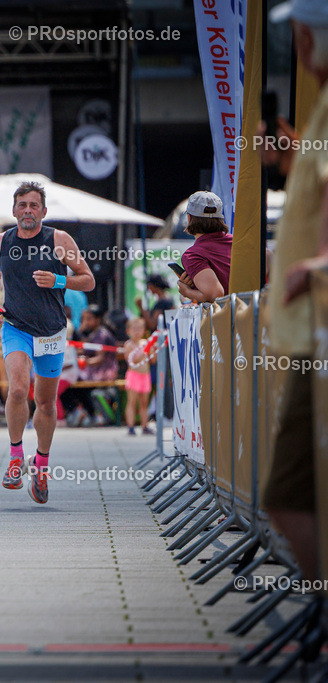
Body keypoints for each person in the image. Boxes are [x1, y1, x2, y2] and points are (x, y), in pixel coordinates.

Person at [261, 0, 328, 592]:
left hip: (322, 330)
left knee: (288, 491)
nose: (301, 48)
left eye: (305, 35)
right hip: (311, 333)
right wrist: (289, 156)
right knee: (292, 491)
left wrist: (319, 264)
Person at [0, 181, 94, 504]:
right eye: (22, 205)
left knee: (45, 403)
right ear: (14, 210)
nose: (28, 211)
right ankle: (16, 456)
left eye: (34, 205)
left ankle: (41, 464)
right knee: (18, 389)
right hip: (16, 327)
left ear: (44, 211)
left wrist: (59, 279)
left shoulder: (59, 240)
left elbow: (88, 279)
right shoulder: (0, 242)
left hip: (51, 331)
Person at [176, 191, 233, 303]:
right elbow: (267, 254)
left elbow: (216, 295)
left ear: (189, 218)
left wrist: (186, 291)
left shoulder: (193, 255)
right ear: (221, 218)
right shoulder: (238, 242)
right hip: (256, 314)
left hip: (228, 317)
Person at [122, 317, 154, 436]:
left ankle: (144, 425)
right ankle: (131, 426)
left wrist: (152, 349)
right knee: (132, 402)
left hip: (145, 375)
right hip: (134, 375)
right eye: (134, 329)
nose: (137, 331)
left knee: (144, 402)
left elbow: (152, 360)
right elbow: (131, 360)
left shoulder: (145, 343)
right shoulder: (129, 344)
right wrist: (144, 352)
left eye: (139, 329)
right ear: (128, 331)